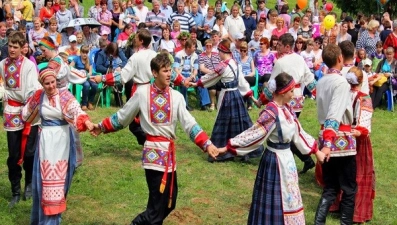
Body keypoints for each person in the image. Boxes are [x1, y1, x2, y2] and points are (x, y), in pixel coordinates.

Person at [90, 53, 219, 225]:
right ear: (154, 73)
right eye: (165, 71)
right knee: (156, 209)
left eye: (170, 71)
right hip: (153, 155)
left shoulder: (177, 97)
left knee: (169, 202)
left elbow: (189, 124)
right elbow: (123, 116)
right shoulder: (142, 94)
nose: (168, 74)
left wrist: (206, 143)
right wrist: (101, 127)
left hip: (169, 157)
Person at [219, 72, 325, 224]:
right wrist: (228, 147)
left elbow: (299, 133)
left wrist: (316, 151)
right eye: (291, 90)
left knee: (290, 196)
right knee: (275, 200)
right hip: (274, 162)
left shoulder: (288, 109)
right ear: (282, 92)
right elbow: (254, 134)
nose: (294, 94)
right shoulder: (271, 112)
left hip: (287, 160)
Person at [22, 68, 94, 224]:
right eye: (47, 83)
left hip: (62, 142)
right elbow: (26, 115)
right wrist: (31, 103)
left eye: (53, 82)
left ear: (56, 81)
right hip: (45, 143)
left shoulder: (64, 96)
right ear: (42, 84)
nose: (51, 86)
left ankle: (54, 218)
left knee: (60, 181)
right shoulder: (39, 96)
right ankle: (43, 220)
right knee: (43, 182)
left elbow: (76, 111)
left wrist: (87, 122)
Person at [191, 39, 263, 162]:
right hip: (236, 96)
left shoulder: (223, 66)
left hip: (227, 97)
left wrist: (196, 83)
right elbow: (242, 82)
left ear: (223, 51)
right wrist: (253, 98)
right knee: (241, 124)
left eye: (219, 51)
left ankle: (221, 152)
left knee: (223, 124)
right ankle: (242, 151)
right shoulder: (235, 64)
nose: (218, 53)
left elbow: (210, 77)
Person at [258, 33, 316, 174]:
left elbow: (272, 85)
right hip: (298, 100)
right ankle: (305, 160)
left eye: (280, 45)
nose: (277, 48)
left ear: (287, 46)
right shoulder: (300, 59)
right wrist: (318, 94)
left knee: (286, 133)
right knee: (290, 130)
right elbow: (310, 79)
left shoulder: (280, 62)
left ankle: (305, 159)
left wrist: (261, 100)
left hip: (285, 100)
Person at [314, 44, 357, 225]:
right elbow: (334, 114)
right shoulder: (341, 83)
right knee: (348, 188)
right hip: (340, 140)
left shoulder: (322, 80)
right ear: (340, 58)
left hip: (325, 135)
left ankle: (319, 222)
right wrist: (329, 143)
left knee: (330, 186)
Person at [1, 31, 41, 208]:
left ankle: (30, 184)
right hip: (11, 111)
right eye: (10, 46)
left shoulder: (29, 66)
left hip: (29, 112)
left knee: (30, 152)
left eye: (15, 47)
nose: (12, 50)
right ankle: (15, 190)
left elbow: (32, 90)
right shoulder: (2, 64)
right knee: (14, 154)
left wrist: (28, 111)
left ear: (22, 49)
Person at [70, 45, 98, 111]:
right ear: (80, 52)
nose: (84, 54)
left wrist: (88, 75)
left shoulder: (89, 60)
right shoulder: (76, 59)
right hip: (79, 77)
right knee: (86, 85)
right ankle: (84, 103)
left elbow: (91, 71)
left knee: (95, 85)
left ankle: (90, 102)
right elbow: (70, 67)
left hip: (87, 76)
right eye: (83, 52)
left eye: (86, 53)